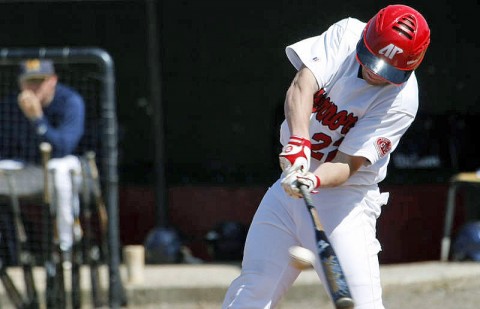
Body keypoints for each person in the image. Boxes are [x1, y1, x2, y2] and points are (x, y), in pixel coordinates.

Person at [222, 4, 430, 309]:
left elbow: (348, 165)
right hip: (289, 186)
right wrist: (298, 142)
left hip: (345, 202)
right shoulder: (346, 34)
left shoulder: (402, 100)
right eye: (372, 57)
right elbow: (302, 84)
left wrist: (313, 178)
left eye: (387, 68)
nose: (374, 70)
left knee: (363, 305)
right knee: (251, 291)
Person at [0, 59, 85, 263]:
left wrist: (37, 119)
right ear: (20, 83)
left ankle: (66, 247)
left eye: (40, 81)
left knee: (61, 170)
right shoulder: (10, 106)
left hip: (70, 171)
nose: (34, 87)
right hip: (27, 170)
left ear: (53, 80)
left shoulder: (69, 101)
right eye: (29, 82)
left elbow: (63, 148)